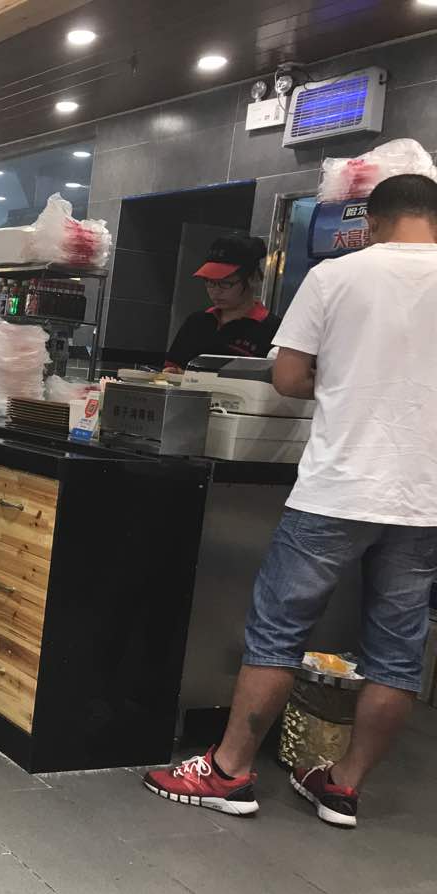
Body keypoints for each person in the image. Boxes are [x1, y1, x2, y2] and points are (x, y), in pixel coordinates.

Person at [144, 174, 437, 829]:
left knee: (277, 635)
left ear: (371, 221)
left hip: (338, 488)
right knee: (396, 655)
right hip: (424, 501)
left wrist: (344, 386)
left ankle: (229, 772)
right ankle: (343, 788)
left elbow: (287, 376)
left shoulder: (337, 276)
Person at [164, 236, 279, 373]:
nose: (215, 291)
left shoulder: (273, 330)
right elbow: (172, 369)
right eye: (210, 282)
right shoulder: (196, 322)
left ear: (253, 279)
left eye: (225, 283)